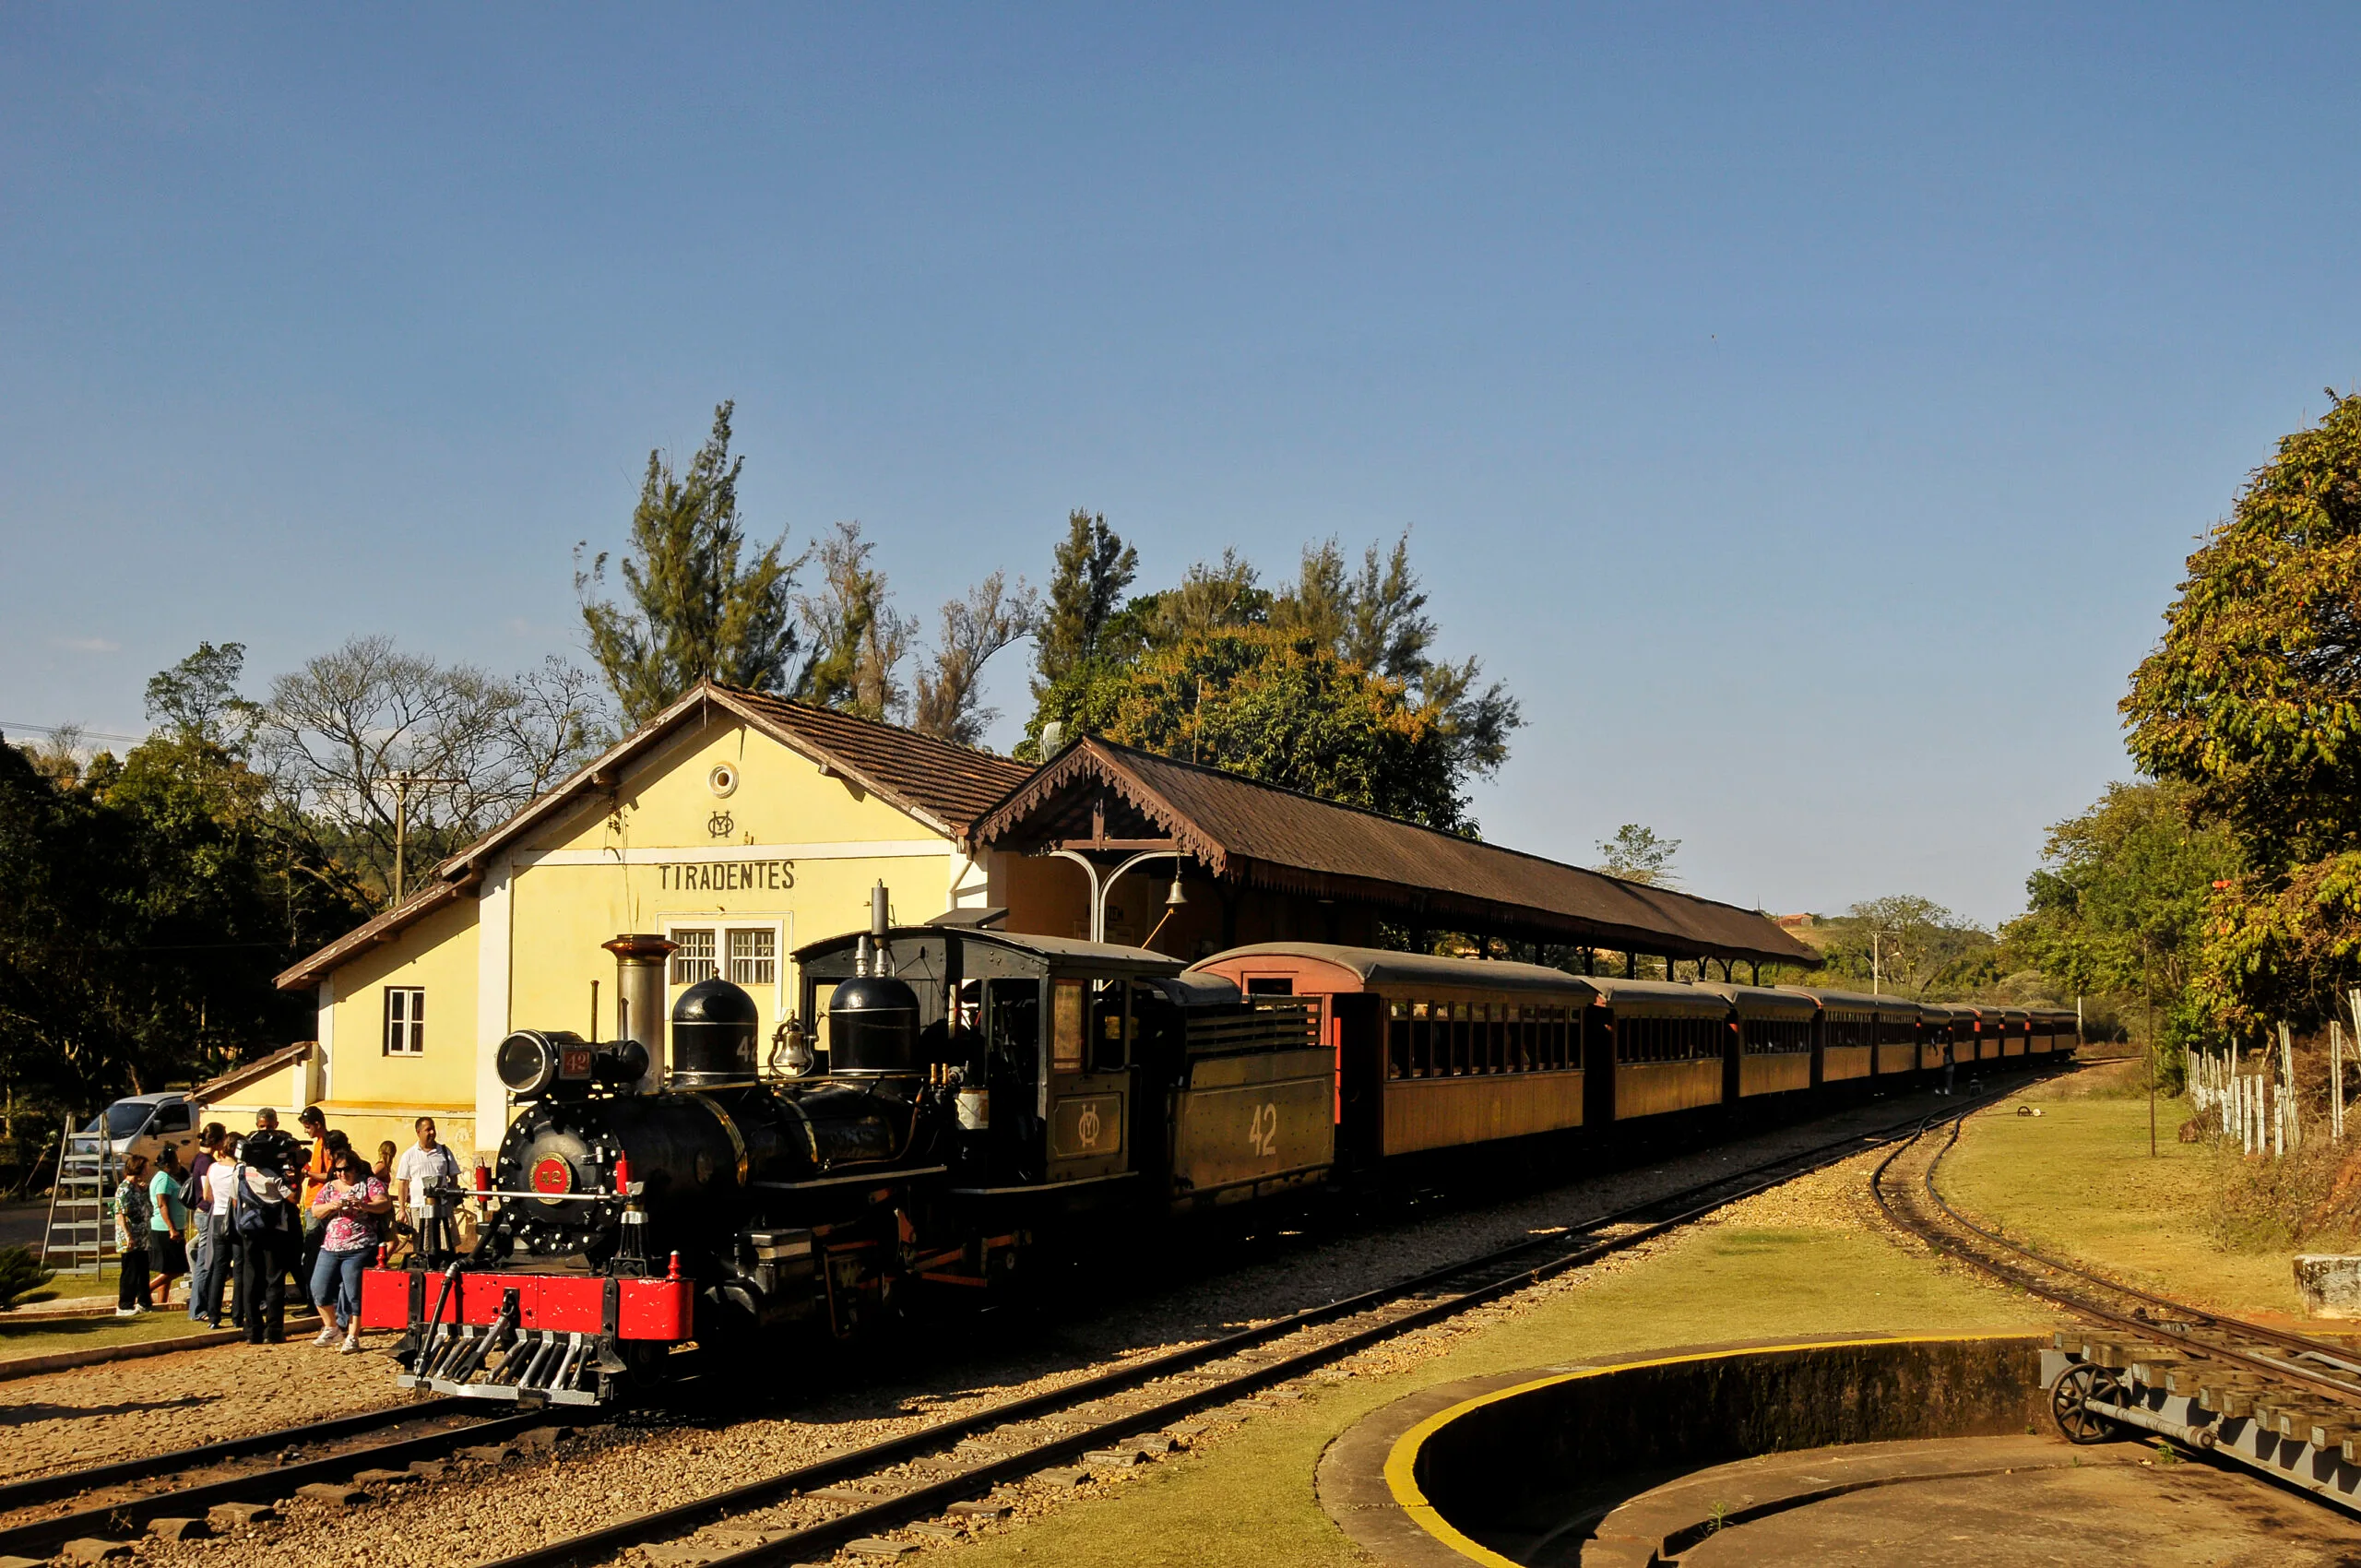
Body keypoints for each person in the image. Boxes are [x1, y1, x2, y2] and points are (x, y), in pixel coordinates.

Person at [306, 1147, 390, 1353]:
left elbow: (384, 1203)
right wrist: (332, 1205)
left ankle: (353, 1335)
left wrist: (363, 1205)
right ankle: (331, 1327)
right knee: (318, 1288)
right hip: (331, 1246)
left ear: (355, 1168)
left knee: (354, 1292)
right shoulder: (330, 1187)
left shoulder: (369, 1183)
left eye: (346, 1169)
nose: (342, 1174)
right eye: (338, 1170)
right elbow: (315, 1210)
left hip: (359, 1246)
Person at [232, 1134, 298, 1344]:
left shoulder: (239, 1171)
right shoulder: (273, 1175)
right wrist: (296, 1176)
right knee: (274, 1280)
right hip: (274, 1230)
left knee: (251, 1279)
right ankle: (274, 1330)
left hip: (249, 1229)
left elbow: (235, 1200)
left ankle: (253, 1330)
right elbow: (293, 1198)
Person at [393, 1116, 461, 1260]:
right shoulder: (409, 1155)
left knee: (447, 1245)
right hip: (419, 1207)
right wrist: (402, 1210)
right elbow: (403, 1183)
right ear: (418, 1132)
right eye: (428, 1129)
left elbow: (454, 1177)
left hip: (443, 1206)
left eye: (433, 1128)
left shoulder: (444, 1151)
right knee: (422, 1246)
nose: (432, 1132)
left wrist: (450, 1200)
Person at [193, 1133, 242, 1328]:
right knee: (239, 1268)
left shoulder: (213, 1167)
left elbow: (207, 1195)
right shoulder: (239, 1169)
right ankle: (238, 1315)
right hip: (235, 1218)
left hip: (218, 1216)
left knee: (218, 1269)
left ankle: (214, 1316)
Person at [296, 1108, 335, 1292]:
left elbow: (330, 1175)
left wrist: (307, 1172)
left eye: (307, 1127)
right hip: (312, 1203)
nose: (306, 1131)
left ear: (317, 1124)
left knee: (311, 1253)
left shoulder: (326, 1143)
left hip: (318, 1205)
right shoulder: (318, 1143)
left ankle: (313, 1296)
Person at [148, 1146, 191, 1311]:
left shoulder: (166, 1178)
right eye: (175, 1162)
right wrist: (172, 1229)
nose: (179, 1164)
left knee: (168, 1268)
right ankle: (144, 1291)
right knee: (177, 1269)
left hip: (174, 1227)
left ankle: (162, 1302)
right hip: (165, 1229)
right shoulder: (163, 1179)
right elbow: (162, 1204)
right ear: (168, 1164)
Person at [114, 1152, 153, 1316]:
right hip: (131, 1236)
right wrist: (128, 1235)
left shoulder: (138, 1187)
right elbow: (120, 1214)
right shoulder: (125, 1189)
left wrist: (144, 1191)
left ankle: (144, 1301)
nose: (147, 1171)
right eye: (145, 1168)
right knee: (130, 1271)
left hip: (142, 1237)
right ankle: (125, 1304)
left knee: (142, 1269)